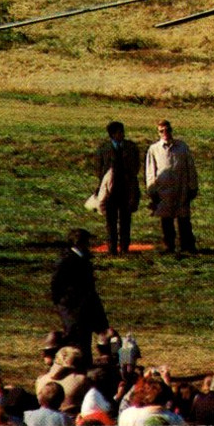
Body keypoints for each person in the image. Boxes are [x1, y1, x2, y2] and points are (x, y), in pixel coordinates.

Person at [50, 229, 109, 365]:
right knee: (76, 337)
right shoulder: (66, 260)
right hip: (72, 306)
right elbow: (56, 283)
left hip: (86, 305)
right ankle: (75, 364)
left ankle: (86, 363)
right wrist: (62, 302)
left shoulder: (83, 257)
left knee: (88, 336)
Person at [145, 119, 198, 254]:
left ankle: (187, 246)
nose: (165, 133)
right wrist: (152, 190)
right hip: (164, 190)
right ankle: (169, 245)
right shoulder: (154, 149)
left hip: (181, 188)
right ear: (158, 133)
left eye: (167, 130)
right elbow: (150, 171)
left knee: (184, 219)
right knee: (166, 220)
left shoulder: (182, 147)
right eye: (162, 131)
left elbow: (190, 167)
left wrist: (192, 186)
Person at [94, 121, 140, 256]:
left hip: (127, 189)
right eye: (119, 132)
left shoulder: (131, 147)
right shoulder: (103, 149)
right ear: (112, 135)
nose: (122, 134)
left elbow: (136, 166)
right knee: (111, 221)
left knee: (126, 220)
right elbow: (98, 169)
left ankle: (125, 247)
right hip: (110, 191)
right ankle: (112, 248)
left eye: (122, 131)